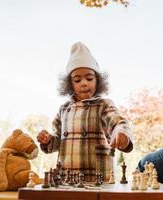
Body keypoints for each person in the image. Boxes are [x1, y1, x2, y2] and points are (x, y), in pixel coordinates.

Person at [37, 42, 133, 182]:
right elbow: (57, 142)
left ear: (98, 81)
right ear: (70, 84)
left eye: (89, 78)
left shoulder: (103, 105)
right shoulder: (63, 110)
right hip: (67, 178)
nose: (84, 83)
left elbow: (118, 122)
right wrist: (48, 140)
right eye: (77, 80)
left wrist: (121, 133)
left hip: (99, 178)